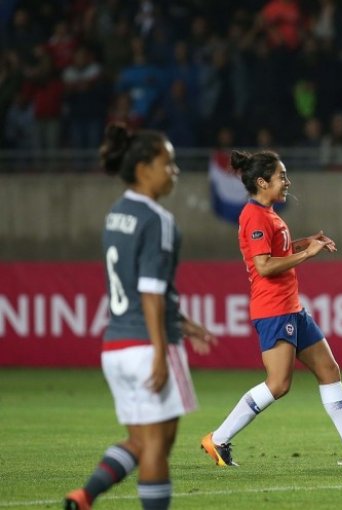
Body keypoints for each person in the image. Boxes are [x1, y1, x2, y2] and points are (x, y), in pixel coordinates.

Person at [200, 149, 342, 468]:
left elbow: (277, 251)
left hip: (292, 307)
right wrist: (308, 255)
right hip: (274, 309)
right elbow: (263, 266)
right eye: (281, 177)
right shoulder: (254, 216)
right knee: (278, 384)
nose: (287, 182)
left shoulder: (270, 214)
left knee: (329, 369)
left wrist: (305, 243)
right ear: (262, 182)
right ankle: (218, 439)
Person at [65, 123, 218, 510]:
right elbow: (149, 291)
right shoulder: (158, 220)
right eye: (169, 163)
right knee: (156, 447)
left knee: (139, 441)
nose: (175, 171)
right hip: (146, 344)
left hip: (115, 345)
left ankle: (84, 496)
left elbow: (136, 287)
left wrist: (181, 321)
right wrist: (159, 349)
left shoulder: (116, 214)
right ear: (144, 168)